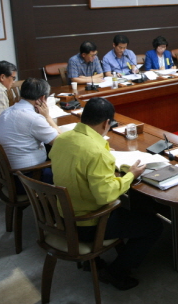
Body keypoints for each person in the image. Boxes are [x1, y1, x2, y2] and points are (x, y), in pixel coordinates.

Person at [50, 97, 163, 291]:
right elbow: (105, 197)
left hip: (62, 216)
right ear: (106, 123)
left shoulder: (61, 139)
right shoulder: (96, 152)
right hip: (87, 223)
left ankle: (95, 262)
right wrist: (130, 175)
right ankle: (116, 272)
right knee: (153, 226)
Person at [0, 78, 60, 189]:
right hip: (27, 178)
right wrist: (47, 117)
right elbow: (61, 142)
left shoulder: (6, 111)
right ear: (42, 99)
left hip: (5, 173)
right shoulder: (33, 118)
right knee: (69, 171)